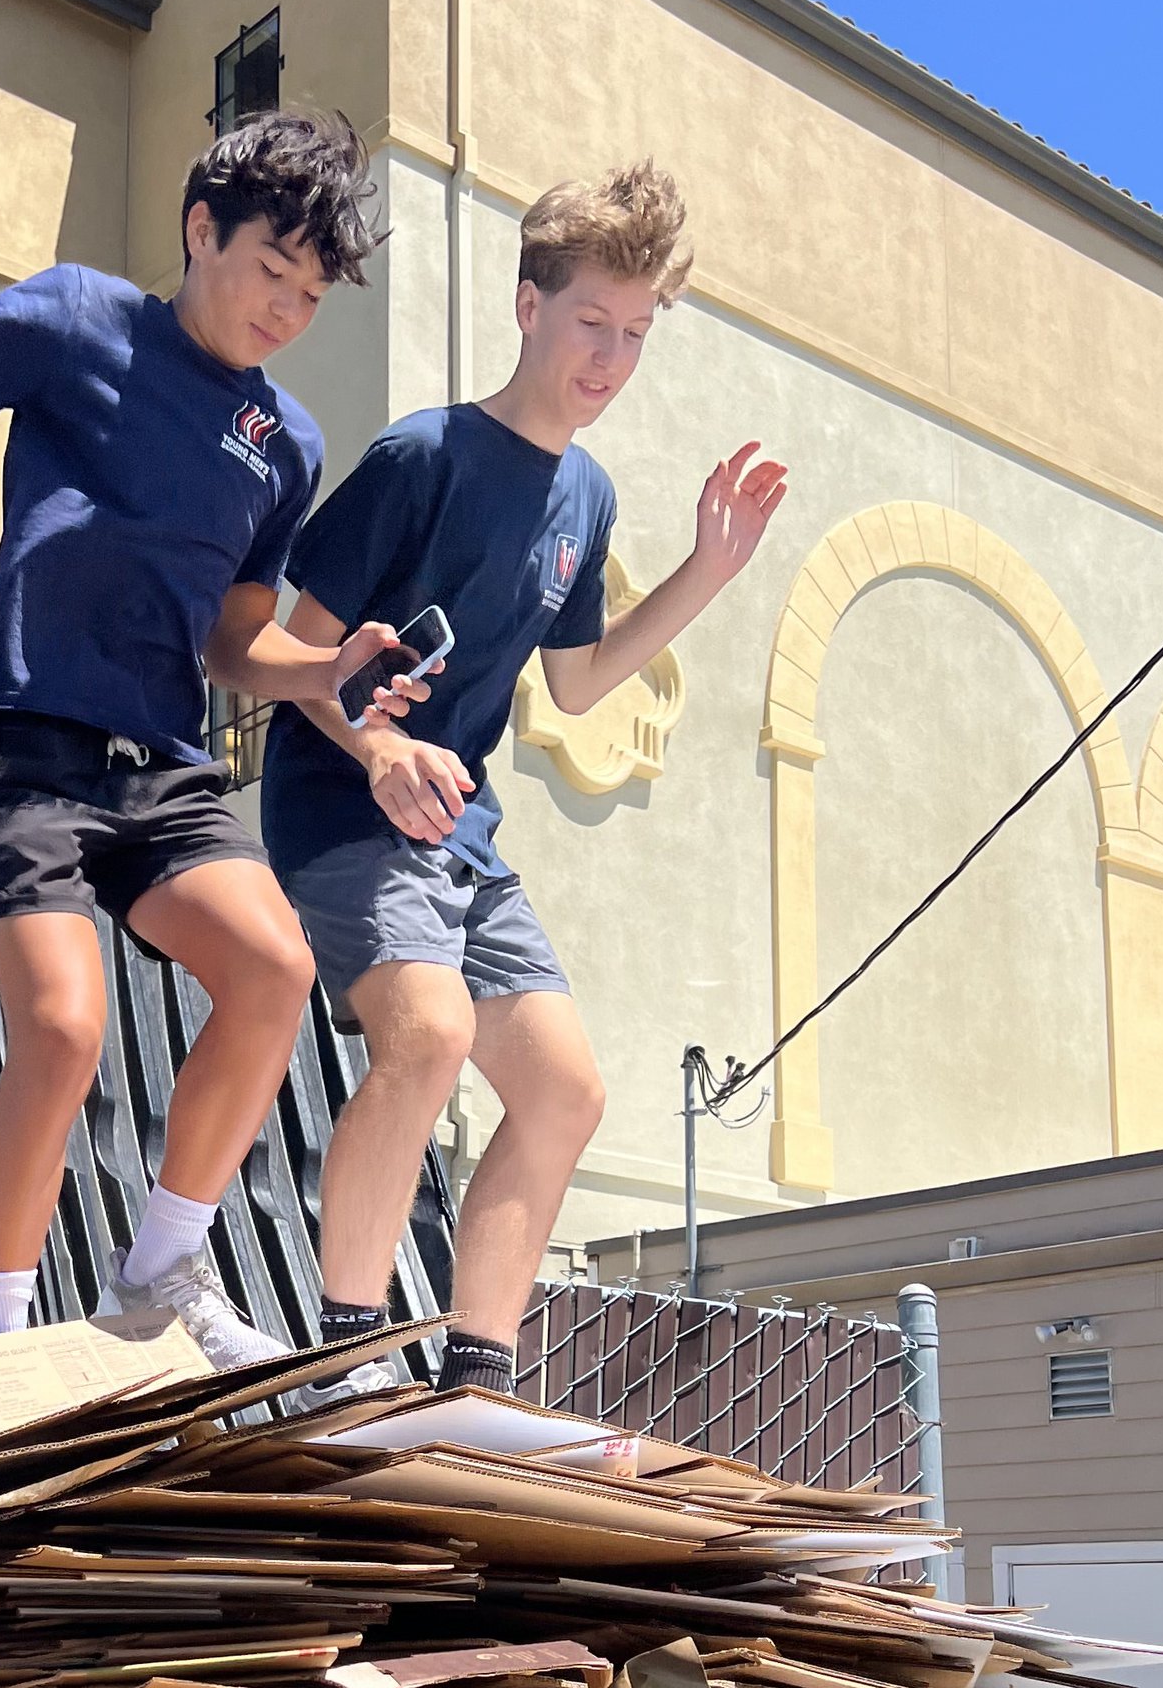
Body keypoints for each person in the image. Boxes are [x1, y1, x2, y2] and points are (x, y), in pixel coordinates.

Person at [0, 111, 422, 1371]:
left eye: (311, 295)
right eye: (270, 271)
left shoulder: (287, 446)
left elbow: (236, 639)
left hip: (161, 763)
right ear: (200, 230)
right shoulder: (76, 319)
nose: (285, 309)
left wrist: (327, 670)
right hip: (26, 747)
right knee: (60, 1029)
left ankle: (159, 1269)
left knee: (274, 970)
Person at [259, 163, 788, 1399]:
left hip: (462, 828)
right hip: (341, 801)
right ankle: (341, 1356)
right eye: (591, 323)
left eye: (636, 335)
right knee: (431, 1035)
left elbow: (582, 681)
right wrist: (379, 748)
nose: (609, 358)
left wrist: (707, 571)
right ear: (526, 306)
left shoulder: (585, 495)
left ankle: (475, 1376)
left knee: (565, 1090)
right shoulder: (422, 456)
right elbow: (295, 652)